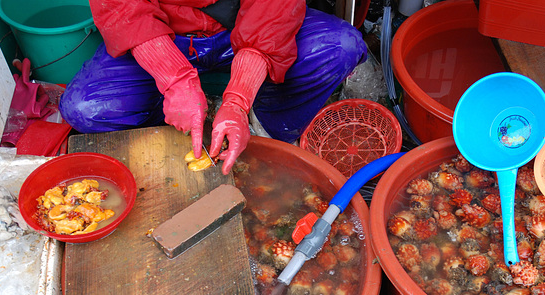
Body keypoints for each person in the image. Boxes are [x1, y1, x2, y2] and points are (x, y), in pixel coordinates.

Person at [59, 0, 367, 174]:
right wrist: (175, 81)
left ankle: (265, 128)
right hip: (162, 34)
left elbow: (273, 13)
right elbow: (123, 10)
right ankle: (173, 138)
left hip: (243, 31)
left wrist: (238, 101)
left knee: (341, 47)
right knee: (85, 109)